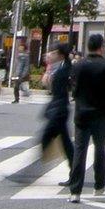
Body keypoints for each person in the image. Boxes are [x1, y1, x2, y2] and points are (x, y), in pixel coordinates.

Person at [68, 33, 105, 201]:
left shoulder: (78, 65)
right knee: (100, 150)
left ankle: (75, 191)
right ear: (101, 47)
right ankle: (99, 186)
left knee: (79, 150)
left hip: (82, 113)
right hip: (101, 114)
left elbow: (74, 91)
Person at [40, 42, 75, 178]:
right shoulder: (60, 67)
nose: (50, 55)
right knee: (65, 143)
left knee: (46, 139)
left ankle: (28, 172)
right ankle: (75, 171)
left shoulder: (65, 68)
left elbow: (62, 88)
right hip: (59, 109)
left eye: (53, 52)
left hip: (59, 110)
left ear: (60, 55)